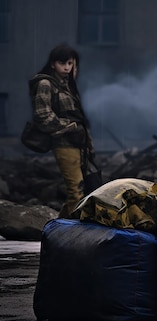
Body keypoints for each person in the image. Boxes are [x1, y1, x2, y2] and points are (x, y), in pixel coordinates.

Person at [29, 44, 95, 219]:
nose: (67, 67)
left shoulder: (67, 86)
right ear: (53, 64)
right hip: (64, 144)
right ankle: (72, 230)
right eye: (62, 63)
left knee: (82, 189)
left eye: (71, 63)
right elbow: (42, 114)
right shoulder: (45, 84)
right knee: (76, 190)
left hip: (79, 145)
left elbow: (80, 118)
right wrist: (68, 126)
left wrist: (89, 145)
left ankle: (60, 226)